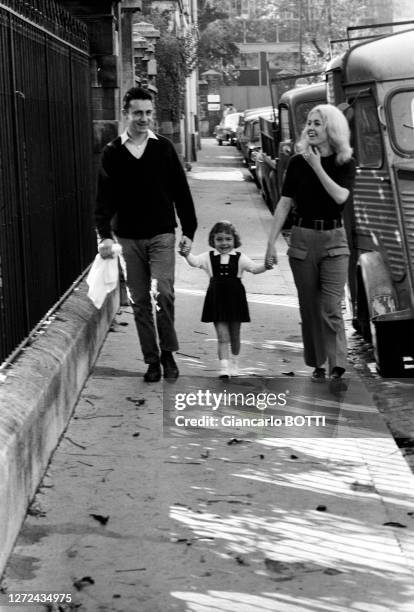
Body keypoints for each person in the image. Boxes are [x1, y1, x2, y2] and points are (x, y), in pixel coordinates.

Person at [95, 86, 197, 383]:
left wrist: (188, 230)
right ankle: (151, 361)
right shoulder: (113, 152)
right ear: (125, 114)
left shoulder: (163, 148)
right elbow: (103, 201)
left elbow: (181, 191)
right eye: (138, 113)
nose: (144, 118)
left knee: (162, 293)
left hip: (162, 234)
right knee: (139, 301)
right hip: (127, 238)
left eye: (148, 113)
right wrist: (104, 235)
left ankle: (168, 352)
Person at [265, 104, 356, 390]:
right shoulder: (296, 162)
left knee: (331, 306)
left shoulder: (345, 161)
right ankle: (318, 362)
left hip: (334, 241)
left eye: (318, 123)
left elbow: (340, 196)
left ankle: (337, 365)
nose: (311, 128)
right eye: (309, 123)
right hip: (303, 239)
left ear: (332, 129)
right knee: (310, 307)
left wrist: (318, 167)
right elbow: (284, 204)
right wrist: (270, 243)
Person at [180, 220, 272, 378]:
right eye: (219, 239)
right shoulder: (208, 257)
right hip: (217, 300)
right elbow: (194, 262)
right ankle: (224, 368)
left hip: (236, 300)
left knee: (235, 335)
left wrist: (266, 265)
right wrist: (186, 254)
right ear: (213, 241)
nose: (224, 243)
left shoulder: (240, 257)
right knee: (223, 336)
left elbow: (254, 269)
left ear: (234, 240)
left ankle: (234, 362)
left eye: (228, 239)